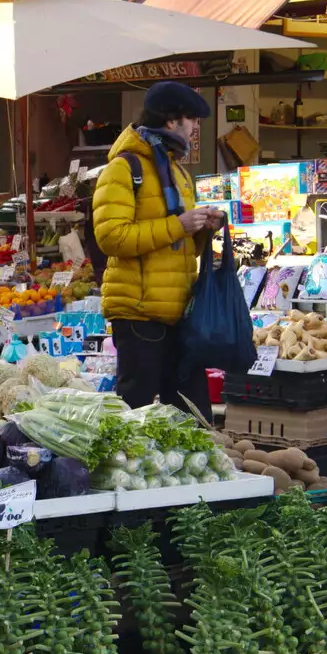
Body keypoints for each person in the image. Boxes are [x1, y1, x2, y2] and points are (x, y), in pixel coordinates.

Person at [93, 81, 223, 417]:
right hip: (138, 313)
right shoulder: (123, 168)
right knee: (135, 411)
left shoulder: (178, 172)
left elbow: (182, 251)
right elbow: (111, 237)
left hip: (179, 311)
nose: (196, 129)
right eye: (192, 119)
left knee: (192, 413)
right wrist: (178, 225)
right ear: (171, 120)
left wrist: (204, 229)